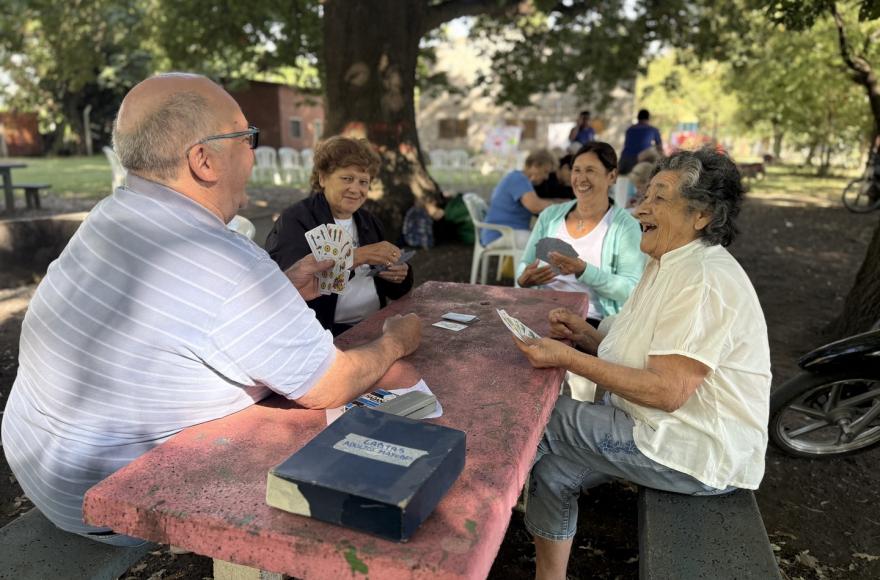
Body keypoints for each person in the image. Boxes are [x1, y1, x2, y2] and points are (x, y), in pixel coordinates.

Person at [0, 73, 422, 546]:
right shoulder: (222, 259)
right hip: (111, 500)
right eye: (246, 137)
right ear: (203, 160)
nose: (254, 152)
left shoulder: (110, 216)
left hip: (40, 467)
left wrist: (278, 288)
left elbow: (196, 313)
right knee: (351, 459)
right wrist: (394, 342)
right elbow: (332, 383)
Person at [513, 148, 771, 580]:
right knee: (553, 470)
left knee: (535, 417)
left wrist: (568, 357)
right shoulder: (669, 259)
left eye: (660, 198)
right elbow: (641, 352)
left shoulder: (703, 278)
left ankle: (462, 528)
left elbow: (666, 391)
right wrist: (587, 336)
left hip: (694, 448)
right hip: (655, 426)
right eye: (645, 195)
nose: (641, 208)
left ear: (702, 215)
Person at [265, 136, 414, 336]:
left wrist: (400, 274)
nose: (356, 189)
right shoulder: (296, 220)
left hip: (375, 323)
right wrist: (359, 256)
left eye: (363, 182)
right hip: (324, 334)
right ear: (322, 178)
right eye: (347, 178)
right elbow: (290, 287)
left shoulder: (369, 222)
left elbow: (395, 290)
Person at [516, 142, 645, 327]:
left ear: (612, 176)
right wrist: (524, 279)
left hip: (589, 319)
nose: (581, 178)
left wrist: (584, 270)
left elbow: (630, 289)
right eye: (576, 170)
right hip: (541, 310)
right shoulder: (550, 217)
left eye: (590, 170)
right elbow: (525, 265)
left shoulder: (625, 227)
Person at [481, 149, 564, 249]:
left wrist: (560, 202)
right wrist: (564, 205)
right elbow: (535, 206)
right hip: (499, 234)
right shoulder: (518, 179)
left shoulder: (520, 179)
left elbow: (538, 203)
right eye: (545, 172)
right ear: (535, 166)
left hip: (506, 232)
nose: (546, 177)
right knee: (548, 246)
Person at [619, 109, 663, 175]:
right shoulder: (652, 130)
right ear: (648, 118)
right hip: (640, 162)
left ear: (638, 118)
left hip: (624, 160)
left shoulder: (630, 129)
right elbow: (660, 148)